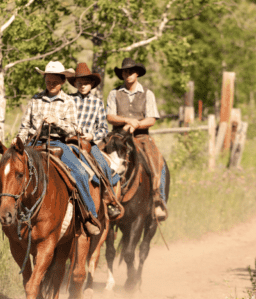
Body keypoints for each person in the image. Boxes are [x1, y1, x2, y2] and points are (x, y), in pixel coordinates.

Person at [13, 61, 102, 236]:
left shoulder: (68, 101)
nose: (51, 85)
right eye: (48, 81)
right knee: (9, 168)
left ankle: (89, 215)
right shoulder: (35, 100)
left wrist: (57, 122)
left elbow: (73, 128)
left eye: (55, 81)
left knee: (81, 173)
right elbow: (24, 127)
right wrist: (18, 141)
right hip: (33, 144)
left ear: (62, 81)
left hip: (57, 143)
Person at [106, 57, 168, 221]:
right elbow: (110, 117)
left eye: (131, 71)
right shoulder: (114, 93)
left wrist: (136, 124)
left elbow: (151, 119)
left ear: (137, 73)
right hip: (118, 137)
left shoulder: (147, 93)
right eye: (125, 71)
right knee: (99, 160)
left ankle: (157, 201)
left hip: (141, 137)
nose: (127, 74)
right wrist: (127, 121)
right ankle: (104, 201)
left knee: (157, 163)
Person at [66, 62, 123, 220]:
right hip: (69, 141)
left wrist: (92, 136)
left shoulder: (97, 102)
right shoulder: (68, 100)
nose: (83, 85)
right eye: (79, 82)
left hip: (89, 144)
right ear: (75, 84)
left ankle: (109, 199)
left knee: (104, 165)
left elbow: (104, 129)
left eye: (86, 82)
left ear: (91, 84)